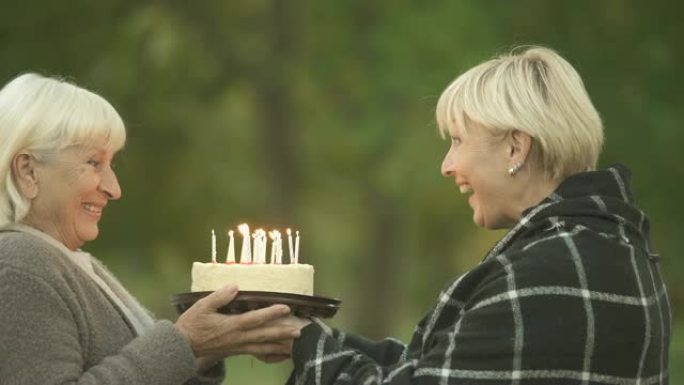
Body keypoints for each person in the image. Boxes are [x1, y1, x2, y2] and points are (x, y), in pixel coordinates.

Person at [282, 47, 672, 384]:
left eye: (457, 140)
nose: (447, 165)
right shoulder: (608, 250)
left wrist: (304, 343)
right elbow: (448, 363)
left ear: (516, 148)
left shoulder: (548, 273)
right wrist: (311, 336)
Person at [0, 73, 301, 384]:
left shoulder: (60, 262)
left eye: (110, 164)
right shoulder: (19, 264)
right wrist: (184, 342)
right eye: (93, 162)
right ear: (27, 170)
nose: (114, 189)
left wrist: (215, 344)